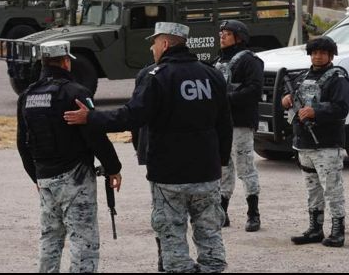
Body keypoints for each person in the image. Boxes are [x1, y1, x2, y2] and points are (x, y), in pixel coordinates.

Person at [64, 22, 233, 273]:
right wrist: (220, 160)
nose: (152, 49)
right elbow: (225, 122)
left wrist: (91, 118)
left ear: (165, 44)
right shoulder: (211, 74)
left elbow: (130, 117)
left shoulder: (159, 77)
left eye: (154, 43)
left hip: (170, 173)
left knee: (172, 236)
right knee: (210, 233)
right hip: (207, 171)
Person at [16, 39, 122, 273]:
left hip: (45, 176)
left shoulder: (27, 96)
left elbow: (22, 143)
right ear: (66, 62)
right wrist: (113, 167)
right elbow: (94, 135)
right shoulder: (76, 93)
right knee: (83, 241)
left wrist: (36, 177)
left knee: (50, 238)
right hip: (75, 177)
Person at [282, 36, 349, 248]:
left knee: (332, 189)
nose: (318, 56)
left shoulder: (338, 78)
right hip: (304, 143)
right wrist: (285, 100)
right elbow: (291, 98)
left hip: (327, 144)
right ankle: (315, 229)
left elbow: (341, 108)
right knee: (312, 189)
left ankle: (338, 231)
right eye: (314, 52)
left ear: (331, 55)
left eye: (322, 53)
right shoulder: (302, 77)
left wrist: (316, 111)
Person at [214, 20, 264, 232]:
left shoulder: (250, 61)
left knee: (245, 168)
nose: (222, 36)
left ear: (239, 37)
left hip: (240, 123)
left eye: (227, 33)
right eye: (221, 33)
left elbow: (254, 89)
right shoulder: (217, 61)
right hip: (220, 123)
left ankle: (253, 213)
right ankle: (222, 212)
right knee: (223, 169)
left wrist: (226, 99)